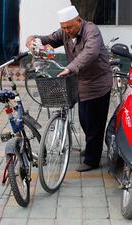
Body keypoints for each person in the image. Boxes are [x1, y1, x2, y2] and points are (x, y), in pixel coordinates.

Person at [26, 5, 112, 172]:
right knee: (85, 120)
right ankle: (92, 148)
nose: (67, 30)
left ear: (79, 21)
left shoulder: (91, 30)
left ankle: (92, 160)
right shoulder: (65, 32)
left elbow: (90, 53)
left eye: (70, 27)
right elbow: (48, 39)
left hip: (98, 83)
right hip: (81, 83)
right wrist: (32, 39)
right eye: (64, 27)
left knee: (95, 123)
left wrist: (70, 68)